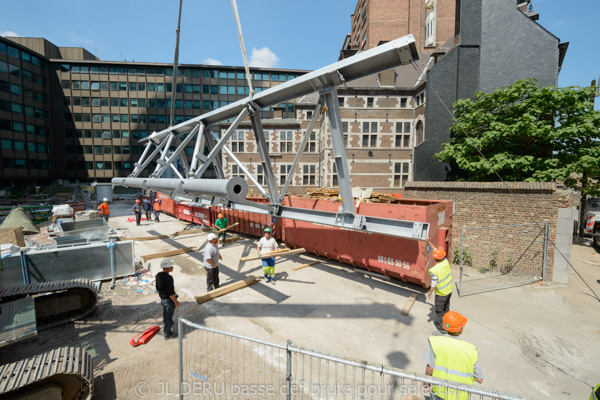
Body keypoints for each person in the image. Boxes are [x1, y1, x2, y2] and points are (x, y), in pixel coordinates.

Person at [423, 311, 482, 399]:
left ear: (444, 326)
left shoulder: (436, 343)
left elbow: (430, 368)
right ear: (461, 330)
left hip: (439, 392)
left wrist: (426, 383)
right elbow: (479, 379)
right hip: (461, 396)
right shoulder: (471, 350)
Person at [426, 237, 453, 332]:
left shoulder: (434, 270)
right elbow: (436, 250)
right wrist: (429, 242)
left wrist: (430, 293)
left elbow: (433, 283)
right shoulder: (445, 262)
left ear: (434, 258)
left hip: (441, 294)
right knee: (446, 307)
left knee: (439, 310)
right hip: (449, 291)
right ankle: (448, 322)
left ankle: (442, 328)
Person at [155, 259, 180, 339]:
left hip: (163, 299)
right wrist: (175, 301)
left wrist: (161, 295)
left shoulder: (159, 275)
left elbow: (157, 288)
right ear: (166, 268)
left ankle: (169, 323)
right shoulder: (169, 278)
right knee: (168, 316)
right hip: (168, 300)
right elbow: (170, 292)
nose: (172, 267)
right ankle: (167, 334)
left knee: (166, 313)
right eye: (170, 266)